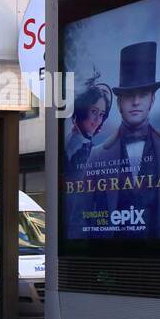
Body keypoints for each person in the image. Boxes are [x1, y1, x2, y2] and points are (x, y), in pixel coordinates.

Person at [87, 42, 160, 240]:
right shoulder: (97, 155)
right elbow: (78, 220)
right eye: (129, 95)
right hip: (111, 261)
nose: (135, 102)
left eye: (143, 94)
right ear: (119, 103)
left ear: (153, 100)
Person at [62, 78, 113, 236]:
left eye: (102, 114)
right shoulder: (79, 149)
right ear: (82, 111)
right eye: (94, 112)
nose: (97, 120)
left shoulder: (75, 141)